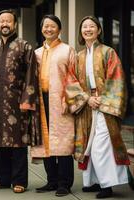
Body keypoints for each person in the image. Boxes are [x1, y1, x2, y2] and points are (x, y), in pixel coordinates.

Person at [66, 16, 130, 199]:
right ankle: (92, 181)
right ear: (81, 31)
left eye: (91, 26)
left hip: (103, 105)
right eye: (84, 26)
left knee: (101, 145)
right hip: (87, 105)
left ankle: (107, 184)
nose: (87, 29)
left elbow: (117, 79)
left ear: (99, 30)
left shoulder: (108, 52)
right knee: (89, 144)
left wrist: (101, 99)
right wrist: (86, 98)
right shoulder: (78, 56)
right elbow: (70, 81)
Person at [0, 10, 39, 193]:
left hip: (17, 104)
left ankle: (20, 181)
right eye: (2, 21)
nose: (5, 24)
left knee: (18, 143)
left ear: (15, 24)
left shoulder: (24, 46)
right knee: (0, 142)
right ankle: (0, 179)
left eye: (8, 21)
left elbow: (32, 75)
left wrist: (27, 100)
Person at [31, 15, 75, 197]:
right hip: (41, 101)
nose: (48, 29)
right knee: (46, 140)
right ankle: (52, 180)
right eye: (45, 26)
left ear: (59, 29)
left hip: (61, 101)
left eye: (52, 26)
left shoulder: (67, 50)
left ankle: (64, 183)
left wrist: (69, 99)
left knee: (63, 141)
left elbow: (73, 76)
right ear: (42, 29)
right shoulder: (37, 53)